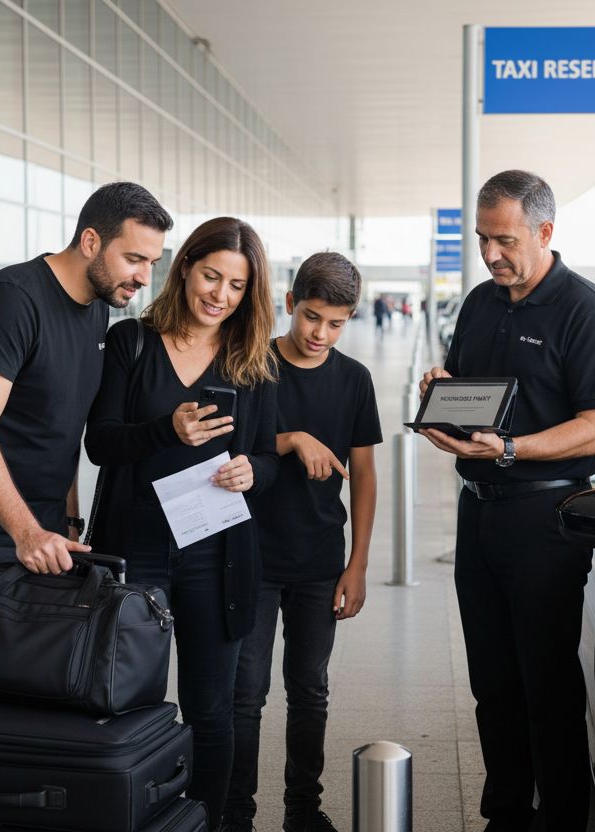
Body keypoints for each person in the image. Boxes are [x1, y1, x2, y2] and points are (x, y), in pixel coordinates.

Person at [418, 170, 595, 832]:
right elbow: (469, 391)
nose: (491, 254)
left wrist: (512, 449)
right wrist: (440, 394)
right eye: (483, 239)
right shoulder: (480, 303)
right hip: (479, 510)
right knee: (492, 683)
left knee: (547, 687)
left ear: (544, 231)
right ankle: (505, 815)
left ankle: (560, 819)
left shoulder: (583, 308)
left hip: (546, 518)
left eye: (504, 240)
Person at [84, 216, 279, 831]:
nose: (220, 295)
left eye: (237, 285)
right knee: (124, 705)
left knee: (211, 713)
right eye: (211, 276)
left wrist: (253, 472)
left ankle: (206, 822)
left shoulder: (254, 361)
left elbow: (269, 456)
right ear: (186, 268)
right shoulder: (132, 343)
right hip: (135, 548)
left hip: (216, 553)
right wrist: (166, 430)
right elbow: (100, 442)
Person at [0, 182, 171, 624]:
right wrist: (27, 532)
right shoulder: (12, 300)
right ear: (91, 241)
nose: (144, 277)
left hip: (43, 533)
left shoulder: (96, 305)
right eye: (134, 259)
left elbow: (61, 427)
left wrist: (68, 521)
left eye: (152, 262)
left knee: (38, 665)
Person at [223, 253, 382, 832]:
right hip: (252, 557)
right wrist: (291, 439)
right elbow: (225, 450)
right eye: (312, 317)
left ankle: (303, 811)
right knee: (245, 694)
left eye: (335, 323)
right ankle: (236, 814)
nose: (320, 333)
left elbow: (363, 475)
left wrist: (357, 564)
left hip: (320, 561)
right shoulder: (250, 365)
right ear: (290, 304)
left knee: (310, 690)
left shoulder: (354, 379)